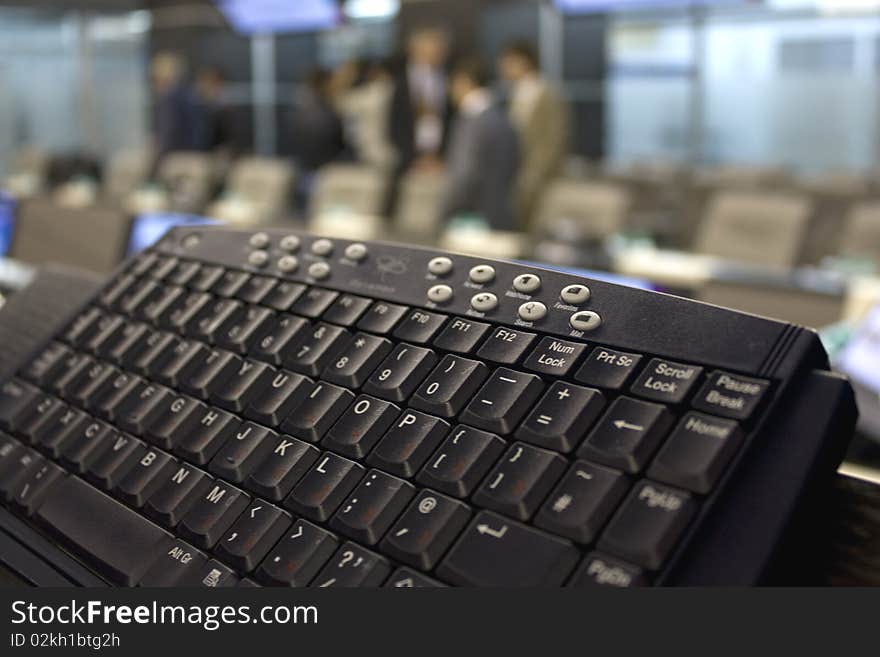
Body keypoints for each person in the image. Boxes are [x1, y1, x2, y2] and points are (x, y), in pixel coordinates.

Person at [441, 57, 519, 232]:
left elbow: (464, 175)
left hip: (471, 220)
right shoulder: (502, 117)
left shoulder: (471, 120)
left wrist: (444, 214)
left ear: (464, 81)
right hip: (501, 214)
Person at [498, 40, 570, 229]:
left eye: (508, 63)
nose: (504, 69)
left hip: (538, 176)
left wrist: (535, 174)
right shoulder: (516, 93)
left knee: (536, 225)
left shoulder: (545, 93)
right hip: (518, 172)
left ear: (524, 62)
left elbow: (554, 139)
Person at [332, 59, 397, 171]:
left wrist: (344, 77)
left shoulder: (376, 93)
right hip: (387, 153)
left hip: (375, 155)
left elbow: (339, 103)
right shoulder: (394, 91)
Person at [150, 52, 200, 165]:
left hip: (177, 157)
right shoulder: (189, 95)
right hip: (194, 155)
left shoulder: (169, 98)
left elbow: (167, 133)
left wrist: (156, 159)